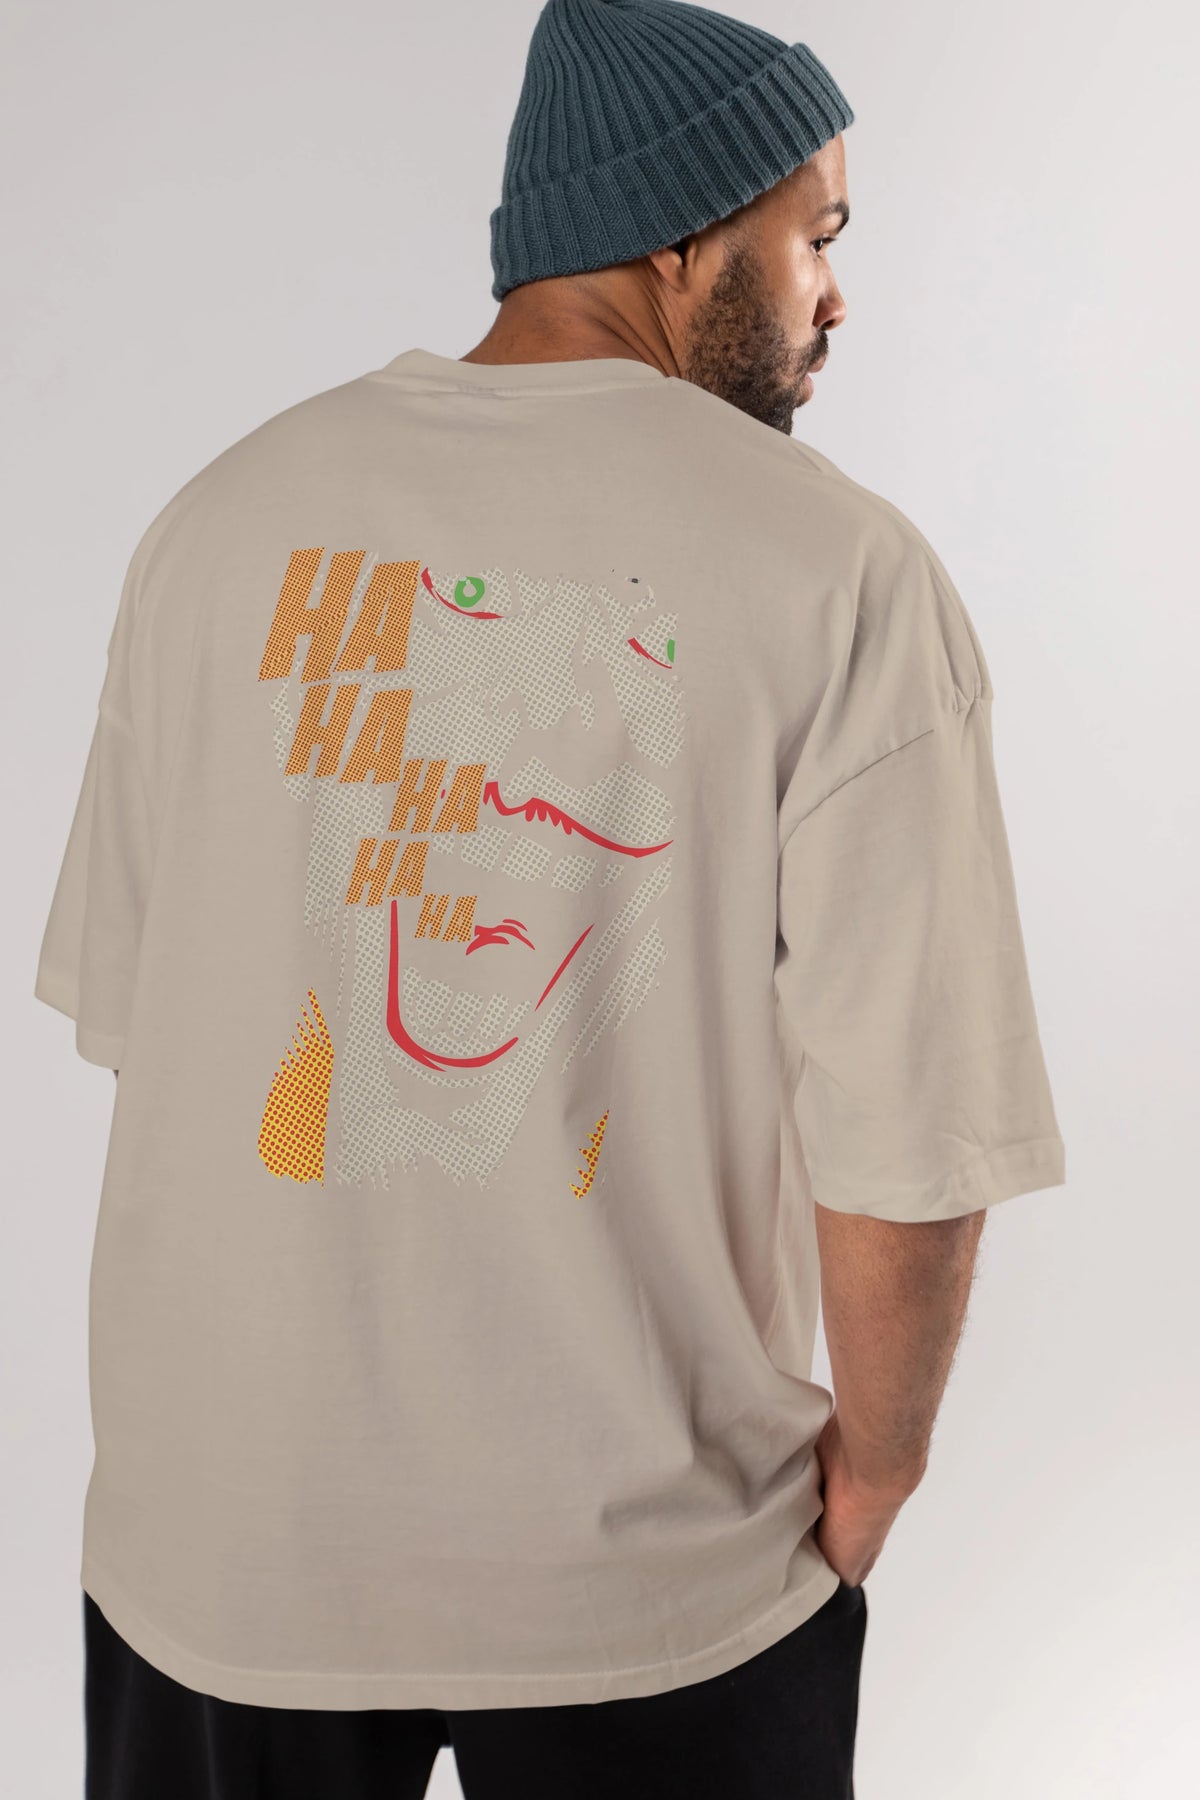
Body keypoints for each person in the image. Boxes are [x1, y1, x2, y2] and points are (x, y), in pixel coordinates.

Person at [34, 1, 1067, 1796]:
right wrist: (878, 1478)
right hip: (649, 1574)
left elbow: (153, 1030)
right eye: (814, 235)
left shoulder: (214, 529)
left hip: (222, 1556)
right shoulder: (838, 575)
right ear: (684, 235)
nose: (836, 296)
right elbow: (912, 1157)